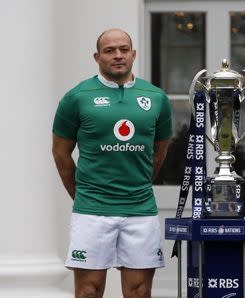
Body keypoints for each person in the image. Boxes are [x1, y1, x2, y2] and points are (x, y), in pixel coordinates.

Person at [52, 28, 172, 298]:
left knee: (140, 292)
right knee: (88, 291)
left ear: (133, 54)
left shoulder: (156, 98)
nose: (118, 55)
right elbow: (61, 153)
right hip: (92, 210)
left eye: (123, 49)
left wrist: (138, 186)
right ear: (97, 56)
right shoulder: (77, 97)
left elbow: (160, 151)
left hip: (140, 210)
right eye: (109, 51)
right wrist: (83, 193)